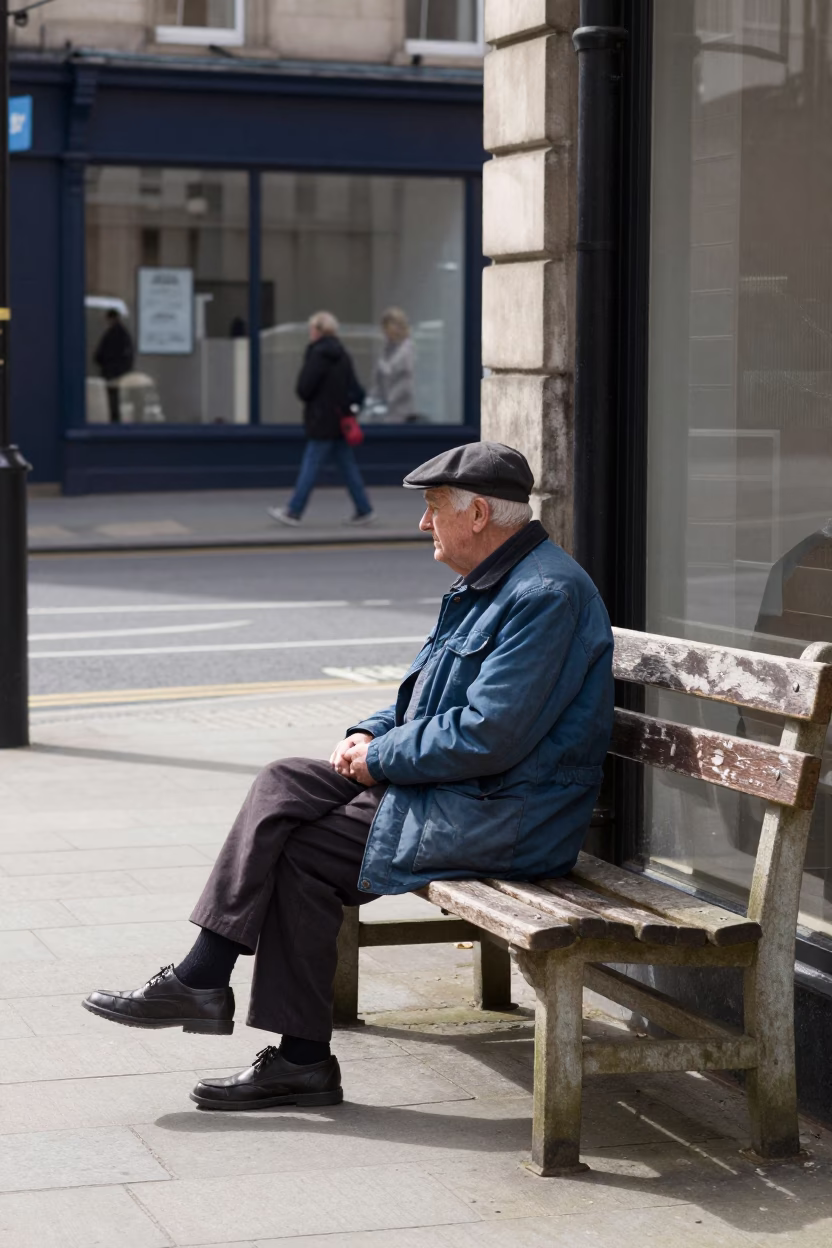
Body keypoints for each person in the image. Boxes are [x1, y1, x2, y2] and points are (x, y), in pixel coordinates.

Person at [83, 442, 614, 1111]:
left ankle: (277, 1037)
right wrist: (368, 733)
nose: (424, 525)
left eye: (432, 509)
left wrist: (380, 760)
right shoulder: (493, 582)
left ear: (478, 513)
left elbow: (489, 733)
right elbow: (418, 700)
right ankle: (214, 986)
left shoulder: (543, 595)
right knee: (284, 781)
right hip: (464, 790)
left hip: (508, 814)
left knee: (299, 851)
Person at [268, 311, 374, 527]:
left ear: (317, 330)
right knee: (347, 466)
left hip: (321, 420)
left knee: (311, 464)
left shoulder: (317, 353)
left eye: (311, 329)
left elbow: (304, 388)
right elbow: (356, 389)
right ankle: (364, 509)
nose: (310, 333)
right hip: (340, 420)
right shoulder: (343, 354)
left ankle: (293, 511)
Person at [369, 306, 415, 423]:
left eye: (387, 328)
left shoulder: (406, 350)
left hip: (400, 412)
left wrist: (389, 401)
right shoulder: (386, 349)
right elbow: (378, 380)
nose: (385, 332)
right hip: (383, 412)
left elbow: (405, 382)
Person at [93, 309, 134, 424]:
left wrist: (104, 364)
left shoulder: (112, 334)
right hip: (119, 371)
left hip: (112, 371)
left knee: (113, 398)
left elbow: (100, 354)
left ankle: (115, 420)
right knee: (117, 398)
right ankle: (116, 419)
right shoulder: (123, 334)